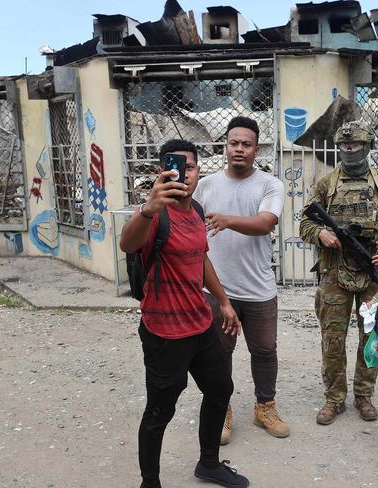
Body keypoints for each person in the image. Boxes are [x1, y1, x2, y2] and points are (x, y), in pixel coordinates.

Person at [120, 139, 250, 488]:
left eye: (190, 167)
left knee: (221, 388)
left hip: (199, 321)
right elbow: (127, 244)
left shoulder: (195, 212)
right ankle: (151, 482)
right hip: (163, 330)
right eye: (177, 167)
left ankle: (208, 463)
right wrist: (148, 209)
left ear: (197, 172)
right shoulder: (154, 214)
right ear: (163, 171)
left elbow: (201, 258)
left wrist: (223, 301)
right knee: (160, 410)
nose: (185, 173)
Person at [194, 116, 289, 444]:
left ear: (256, 148)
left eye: (246, 144)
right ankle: (222, 408)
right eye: (234, 143)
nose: (239, 149)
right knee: (219, 353)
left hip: (259, 288)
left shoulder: (269, 184)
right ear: (225, 146)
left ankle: (265, 407)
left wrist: (228, 220)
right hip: (217, 290)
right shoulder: (206, 185)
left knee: (265, 350)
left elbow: (265, 223)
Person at [299, 120, 378, 425]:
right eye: (344, 146)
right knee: (333, 339)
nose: (349, 150)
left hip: (373, 271)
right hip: (334, 271)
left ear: (367, 146)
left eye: (354, 145)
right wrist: (321, 235)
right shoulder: (326, 185)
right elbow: (305, 223)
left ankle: (364, 396)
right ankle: (334, 399)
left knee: (372, 337)